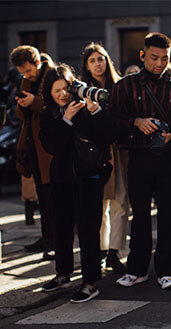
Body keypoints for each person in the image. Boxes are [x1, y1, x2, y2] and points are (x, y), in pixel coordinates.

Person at [111, 32, 171, 290]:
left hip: (169, 159)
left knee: (169, 217)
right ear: (142, 56)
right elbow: (111, 120)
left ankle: (166, 271)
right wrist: (136, 123)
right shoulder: (125, 86)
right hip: (137, 158)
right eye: (153, 58)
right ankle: (136, 270)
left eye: (164, 58)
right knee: (140, 216)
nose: (159, 63)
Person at [39, 63, 115, 303]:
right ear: (49, 92)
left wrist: (95, 111)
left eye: (65, 89)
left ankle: (90, 282)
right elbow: (51, 146)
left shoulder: (84, 107)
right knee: (60, 229)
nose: (62, 94)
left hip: (88, 178)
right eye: (56, 90)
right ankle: (63, 273)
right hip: (61, 179)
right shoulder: (47, 114)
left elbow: (108, 136)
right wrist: (66, 120)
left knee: (88, 231)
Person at [80, 42, 128, 273]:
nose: (98, 64)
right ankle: (100, 249)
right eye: (92, 61)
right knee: (99, 205)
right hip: (95, 154)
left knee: (120, 202)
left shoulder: (119, 86)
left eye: (100, 59)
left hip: (119, 152)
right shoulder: (81, 91)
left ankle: (115, 252)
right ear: (87, 66)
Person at [9, 45, 54, 260]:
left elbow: (57, 103)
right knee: (41, 196)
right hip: (33, 145)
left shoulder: (53, 75)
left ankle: (55, 240)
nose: (25, 76)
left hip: (50, 147)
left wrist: (33, 101)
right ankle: (47, 237)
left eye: (27, 71)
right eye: (22, 72)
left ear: (37, 62)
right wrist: (22, 103)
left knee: (53, 196)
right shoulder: (27, 81)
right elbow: (21, 114)